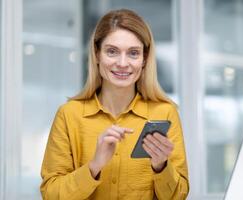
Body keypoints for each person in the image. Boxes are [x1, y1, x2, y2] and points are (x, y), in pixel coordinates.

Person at [40, 9, 189, 200]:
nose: (122, 63)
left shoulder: (165, 113)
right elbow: (51, 195)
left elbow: (179, 196)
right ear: (97, 54)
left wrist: (161, 167)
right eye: (112, 51)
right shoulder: (69, 115)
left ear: (144, 59)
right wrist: (94, 166)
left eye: (133, 53)